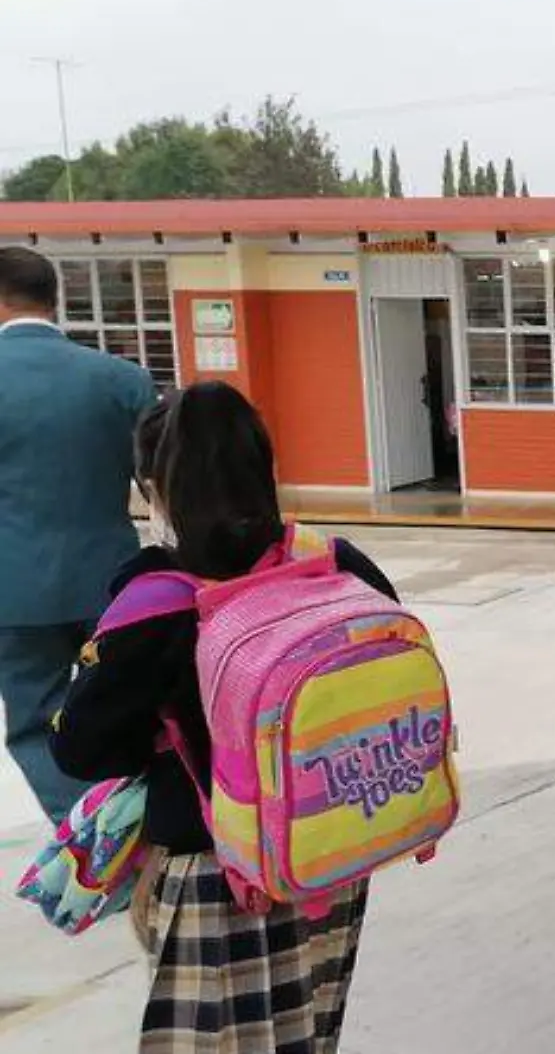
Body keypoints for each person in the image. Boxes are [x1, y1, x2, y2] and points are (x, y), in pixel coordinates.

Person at [52, 382, 396, 1052]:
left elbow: (81, 749)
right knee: (307, 1028)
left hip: (213, 868)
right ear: (263, 470)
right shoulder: (331, 563)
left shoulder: (156, 603)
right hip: (325, 855)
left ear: (155, 486)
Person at [0, 246, 153, 826]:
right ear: (53, 299)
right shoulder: (121, 379)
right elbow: (163, 486)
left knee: (36, 723)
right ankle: (140, 821)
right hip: (112, 585)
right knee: (126, 709)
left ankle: (91, 838)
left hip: (13, 593)